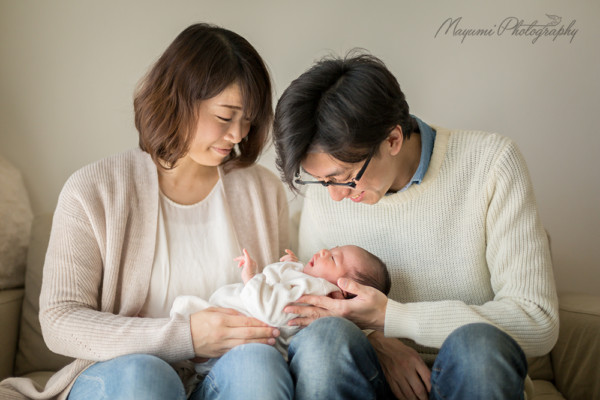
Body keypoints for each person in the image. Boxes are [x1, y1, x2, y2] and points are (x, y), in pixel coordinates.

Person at [0, 25, 389, 400]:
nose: (238, 135)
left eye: (248, 119)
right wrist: (186, 336)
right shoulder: (94, 189)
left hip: (220, 376)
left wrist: (371, 335)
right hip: (125, 375)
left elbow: (290, 299)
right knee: (145, 375)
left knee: (257, 362)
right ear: (178, 100)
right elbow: (59, 321)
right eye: (225, 116)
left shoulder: (261, 191)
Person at [273, 52, 559, 400]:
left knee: (478, 348)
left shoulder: (491, 164)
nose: (334, 196)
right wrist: (377, 339)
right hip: (368, 376)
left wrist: (394, 318)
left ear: (393, 139)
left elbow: (537, 322)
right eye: (322, 182)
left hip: (470, 375)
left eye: (344, 178)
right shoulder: (326, 191)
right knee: (324, 341)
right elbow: (310, 307)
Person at [171, 245, 391, 372]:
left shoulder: (317, 291)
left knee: (184, 307)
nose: (324, 250)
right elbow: (289, 288)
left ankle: (185, 360)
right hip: (236, 335)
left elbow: (272, 310)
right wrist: (293, 265)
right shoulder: (312, 284)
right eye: (333, 248)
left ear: (342, 292)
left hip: (241, 328)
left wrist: (251, 278)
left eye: (333, 258)